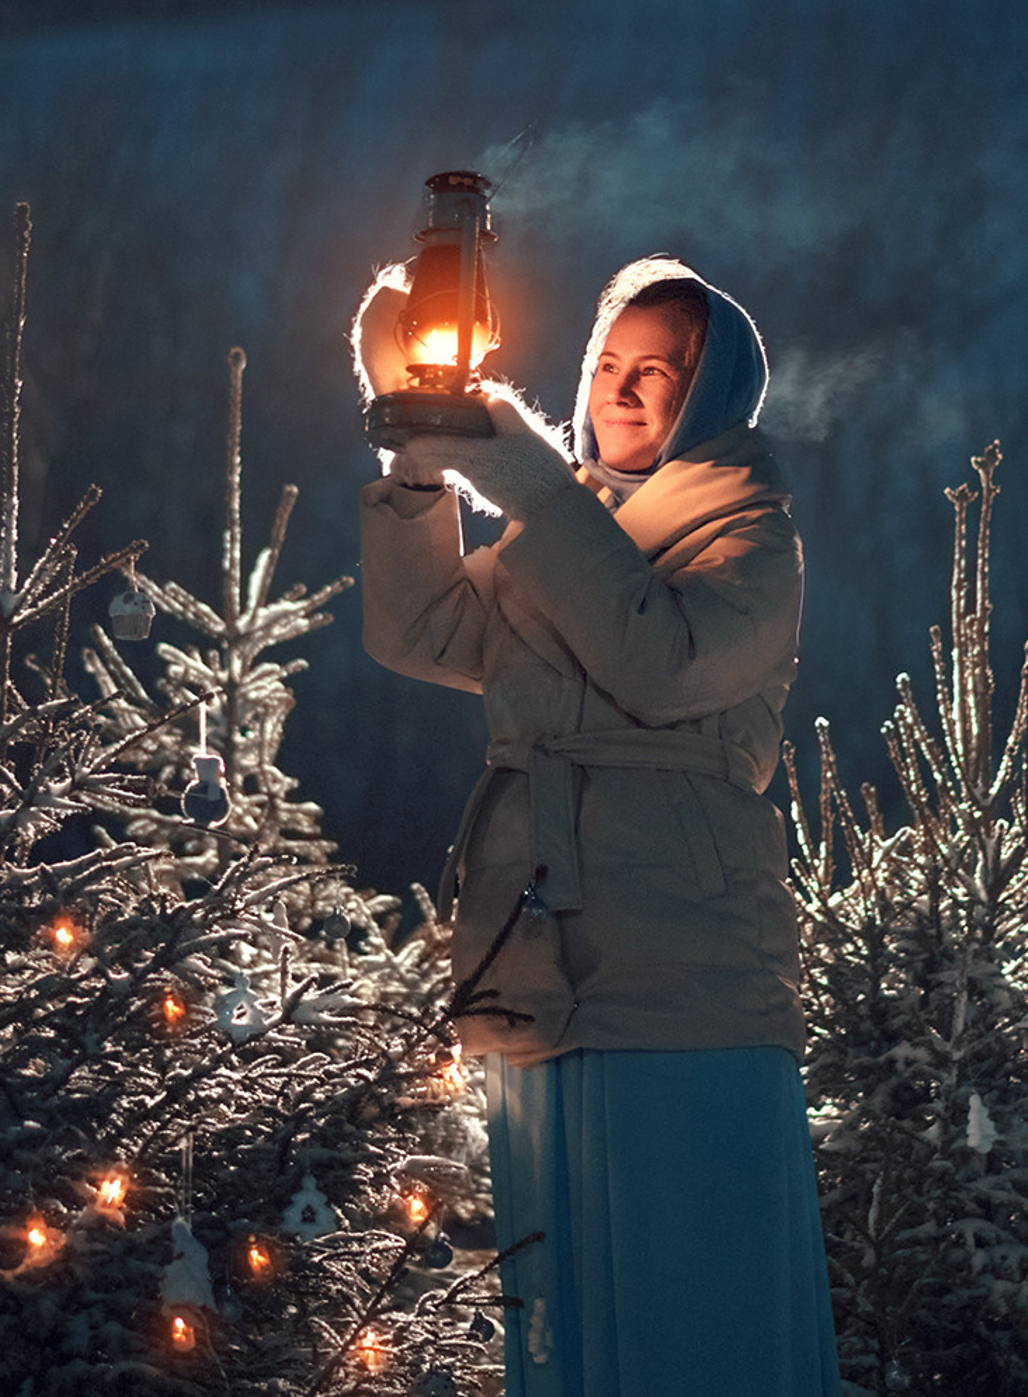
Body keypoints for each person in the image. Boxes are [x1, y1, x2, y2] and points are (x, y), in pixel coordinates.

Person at [356, 255, 841, 1397]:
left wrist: (531, 487)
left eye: (658, 372)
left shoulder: (751, 538)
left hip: (686, 977)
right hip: (541, 955)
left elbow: (659, 665)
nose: (621, 389)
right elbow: (419, 630)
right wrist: (416, 459)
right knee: (560, 1311)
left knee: (695, 1306)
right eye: (609, 363)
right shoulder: (565, 527)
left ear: (713, 396)